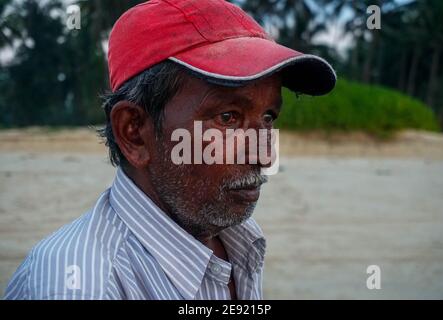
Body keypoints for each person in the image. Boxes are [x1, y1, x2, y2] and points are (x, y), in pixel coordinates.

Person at [4, 0, 335, 300]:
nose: (265, 156)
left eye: (268, 117)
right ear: (134, 132)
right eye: (228, 118)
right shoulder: (79, 286)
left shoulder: (234, 237)